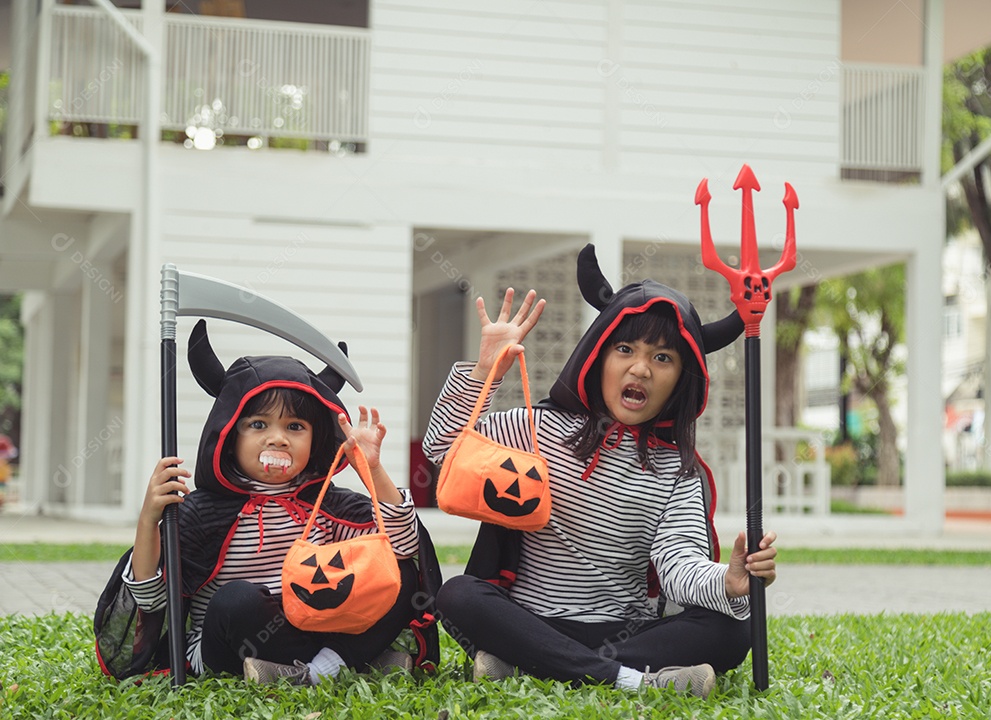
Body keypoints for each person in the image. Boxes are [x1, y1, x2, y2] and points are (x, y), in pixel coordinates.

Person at [425, 245, 778, 698]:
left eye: (663, 358)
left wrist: (727, 582)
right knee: (459, 595)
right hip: (528, 620)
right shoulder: (536, 428)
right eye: (626, 349)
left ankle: (527, 666)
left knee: (733, 630)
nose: (641, 368)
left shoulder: (678, 470)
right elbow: (443, 451)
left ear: (681, 379)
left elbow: (676, 566)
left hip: (622, 634)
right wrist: (483, 371)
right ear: (597, 356)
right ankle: (631, 682)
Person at [94, 320, 441, 684]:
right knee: (235, 601)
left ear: (317, 438)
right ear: (229, 433)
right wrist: (149, 518)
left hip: (317, 630)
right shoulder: (201, 512)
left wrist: (372, 471)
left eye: (295, 427)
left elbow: (404, 547)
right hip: (232, 640)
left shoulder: (331, 506)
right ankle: (352, 664)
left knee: (397, 573)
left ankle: (319, 671)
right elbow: (150, 601)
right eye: (258, 425)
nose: (277, 439)